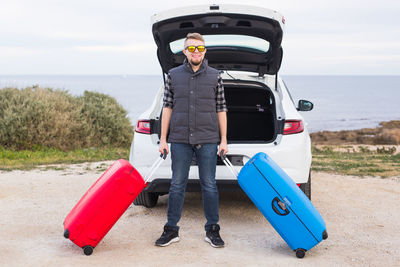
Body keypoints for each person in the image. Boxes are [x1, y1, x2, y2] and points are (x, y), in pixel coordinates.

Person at [155, 32, 228, 248]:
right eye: (192, 48)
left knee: (209, 185)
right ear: (185, 51)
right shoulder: (173, 75)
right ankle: (171, 230)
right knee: (177, 185)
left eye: (200, 48)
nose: (196, 52)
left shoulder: (215, 76)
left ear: (204, 51)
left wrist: (223, 139)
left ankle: (212, 230)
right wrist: (163, 139)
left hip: (208, 138)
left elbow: (221, 108)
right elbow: (167, 107)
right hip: (179, 138)